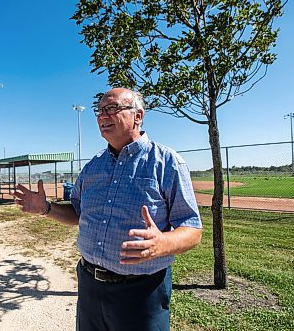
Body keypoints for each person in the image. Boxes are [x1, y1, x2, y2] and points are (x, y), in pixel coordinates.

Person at [13, 88, 202, 331]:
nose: (103, 116)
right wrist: (46, 208)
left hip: (141, 292)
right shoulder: (93, 166)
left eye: (112, 108)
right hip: (90, 285)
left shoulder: (166, 162)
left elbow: (192, 228)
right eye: (100, 111)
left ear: (138, 116)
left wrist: (162, 244)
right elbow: (77, 213)